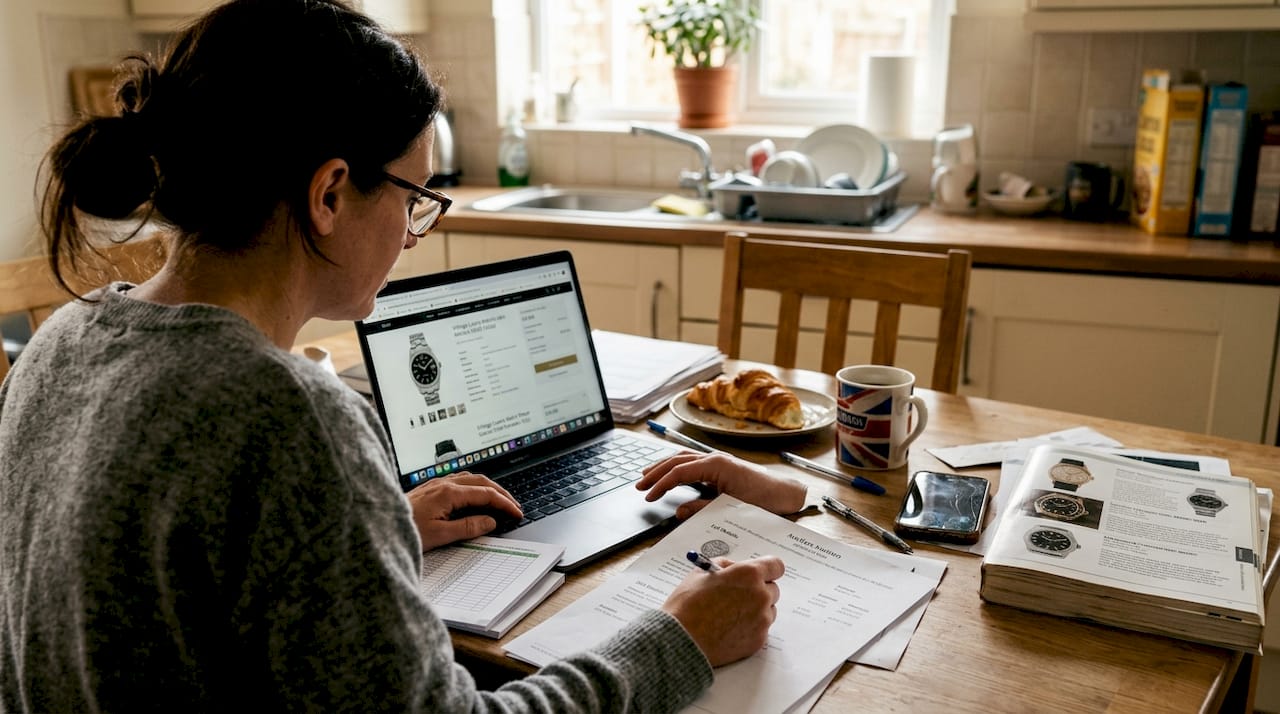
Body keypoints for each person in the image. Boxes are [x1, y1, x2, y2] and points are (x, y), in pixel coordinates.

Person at [0, 1, 808, 711]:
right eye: (415, 199)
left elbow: (167, 599)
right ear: (328, 194)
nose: (415, 233)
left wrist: (374, 533)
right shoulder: (292, 417)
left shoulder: (55, 348)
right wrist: (681, 637)